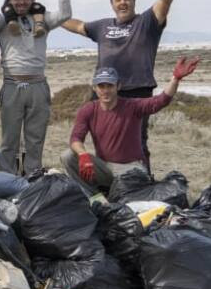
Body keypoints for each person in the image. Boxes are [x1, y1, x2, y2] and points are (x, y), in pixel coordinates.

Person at [60, 0, 182, 166]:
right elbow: (78, 25)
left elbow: (164, 1)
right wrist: (51, 17)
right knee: (101, 136)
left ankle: (143, 181)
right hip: (104, 88)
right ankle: (105, 177)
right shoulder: (102, 26)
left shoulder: (146, 22)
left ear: (134, 2)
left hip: (137, 90)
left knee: (138, 141)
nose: (123, 2)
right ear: (112, 4)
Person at [62, 59, 198, 195]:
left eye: (110, 86)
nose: (105, 91)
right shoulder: (89, 109)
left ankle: (117, 196)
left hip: (131, 168)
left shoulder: (132, 106)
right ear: (94, 88)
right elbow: (76, 138)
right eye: (101, 86)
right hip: (105, 167)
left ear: (118, 86)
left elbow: (161, 100)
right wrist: (83, 154)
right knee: (68, 156)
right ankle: (94, 197)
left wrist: (175, 78)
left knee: (126, 198)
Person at [0, 0, 71, 174]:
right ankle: (7, 177)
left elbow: (65, 14)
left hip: (38, 85)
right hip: (13, 85)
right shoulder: (3, 22)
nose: (21, 2)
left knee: (35, 138)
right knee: (9, 140)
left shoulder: (44, 20)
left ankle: (33, 175)